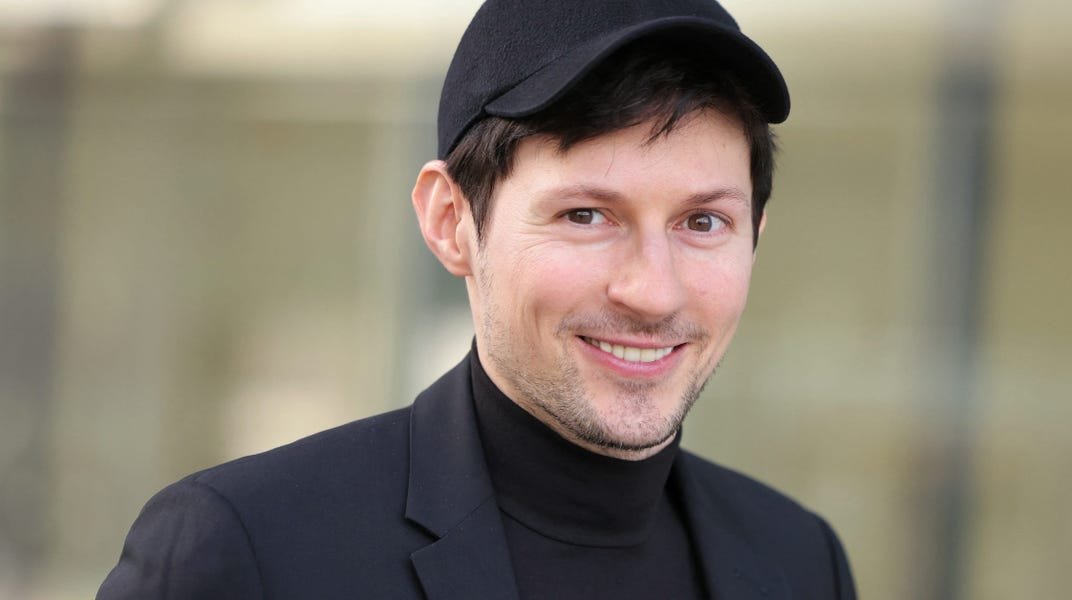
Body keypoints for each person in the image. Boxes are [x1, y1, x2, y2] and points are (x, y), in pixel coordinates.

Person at [98, 1, 856, 598]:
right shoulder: (250, 549)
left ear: (755, 234)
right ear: (449, 222)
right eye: (585, 215)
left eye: (703, 222)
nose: (653, 291)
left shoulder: (800, 560)